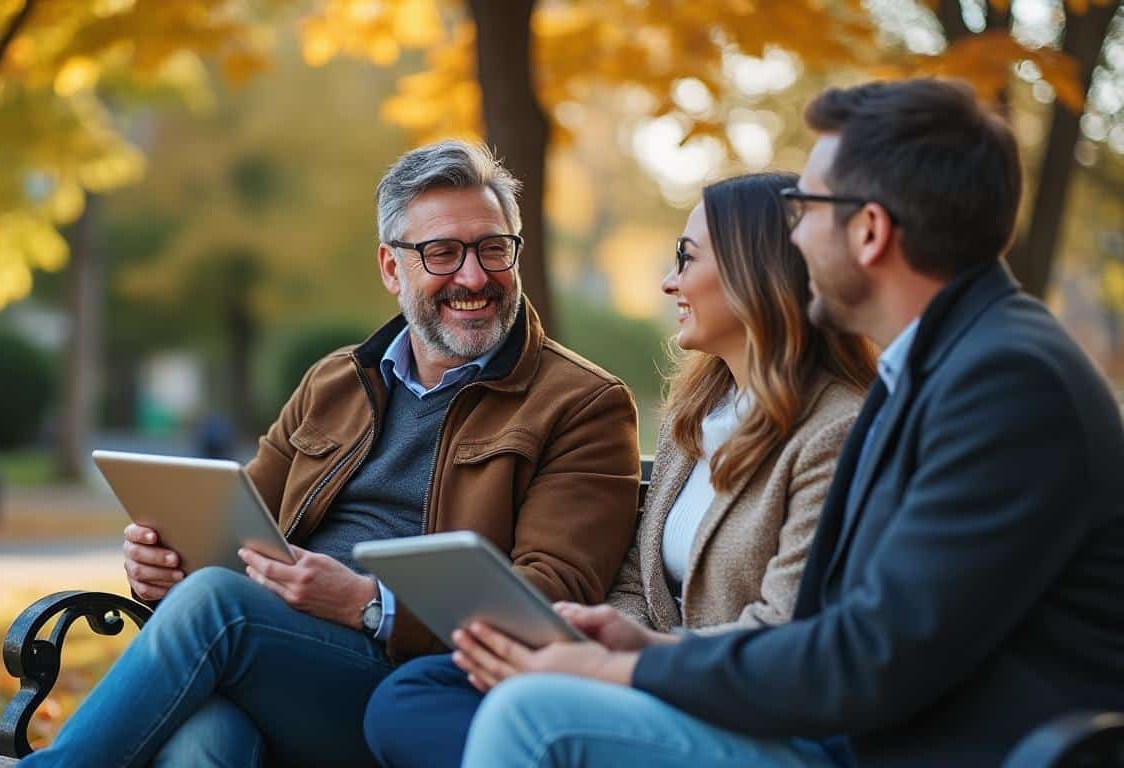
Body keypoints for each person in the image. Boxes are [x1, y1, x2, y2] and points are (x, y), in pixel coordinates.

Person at [451, 78, 1124, 768]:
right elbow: (844, 633)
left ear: (869, 231)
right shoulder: (939, 368)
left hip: (933, 751)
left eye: (805, 209)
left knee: (535, 714)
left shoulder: (1004, 385)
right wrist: (647, 647)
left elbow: (867, 657)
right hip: (869, 733)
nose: (792, 239)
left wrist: (615, 673)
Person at [18, 139, 641, 767]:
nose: (473, 277)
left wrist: (370, 604)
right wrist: (159, 567)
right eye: (442, 254)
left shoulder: (582, 404)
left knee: (217, 606)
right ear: (392, 268)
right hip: (281, 660)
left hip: (422, 690)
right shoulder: (334, 382)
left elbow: (550, 595)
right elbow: (235, 527)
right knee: (208, 739)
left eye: (491, 249)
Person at [363, 172, 876, 768]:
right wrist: (589, 639)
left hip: (747, 712)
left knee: (521, 715)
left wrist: (626, 664)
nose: (669, 282)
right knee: (415, 691)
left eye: (686, 260)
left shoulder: (835, 432)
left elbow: (786, 633)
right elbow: (634, 580)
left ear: (753, 274)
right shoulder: (696, 417)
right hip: (650, 678)